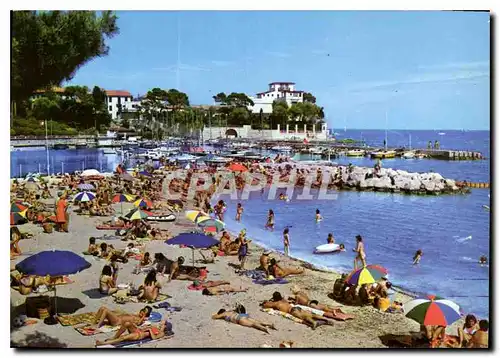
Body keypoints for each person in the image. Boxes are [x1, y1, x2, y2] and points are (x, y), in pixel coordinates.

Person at [261, 292, 333, 330]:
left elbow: (265, 306)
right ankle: (325, 319)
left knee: (304, 317)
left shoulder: (276, 303)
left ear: (274, 298)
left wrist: (267, 302)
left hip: (292, 311)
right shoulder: (284, 300)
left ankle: (314, 322)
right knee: (311, 314)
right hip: (296, 307)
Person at [96, 319, 170, 346]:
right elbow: (142, 328)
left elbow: (154, 338)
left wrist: (150, 330)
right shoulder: (156, 327)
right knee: (127, 323)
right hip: (139, 331)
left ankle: (103, 343)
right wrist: (138, 327)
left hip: (140, 335)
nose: (161, 324)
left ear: (165, 327)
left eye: (163, 324)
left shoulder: (161, 333)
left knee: (123, 337)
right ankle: (114, 337)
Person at [212, 308, 276, 333]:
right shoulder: (230, 311)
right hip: (242, 315)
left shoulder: (224, 314)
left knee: (252, 324)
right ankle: (269, 324)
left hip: (238, 319)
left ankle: (263, 328)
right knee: (256, 321)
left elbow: (214, 317)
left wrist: (217, 315)